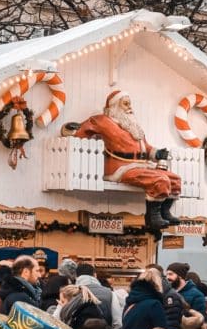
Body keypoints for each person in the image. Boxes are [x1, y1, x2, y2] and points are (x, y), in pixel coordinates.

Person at [75, 90, 182, 231]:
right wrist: (73, 135)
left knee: (174, 179)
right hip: (120, 167)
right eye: (125, 104)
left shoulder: (132, 126)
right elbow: (81, 130)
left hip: (141, 166)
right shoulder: (103, 121)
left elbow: (145, 148)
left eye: (129, 104)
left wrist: (157, 153)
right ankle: (152, 217)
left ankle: (164, 212)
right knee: (160, 180)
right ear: (114, 106)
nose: (129, 107)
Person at [75, 263, 123, 329]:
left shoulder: (72, 292)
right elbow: (118, 323)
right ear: (95, 275)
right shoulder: (110, 293)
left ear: (76, 277)